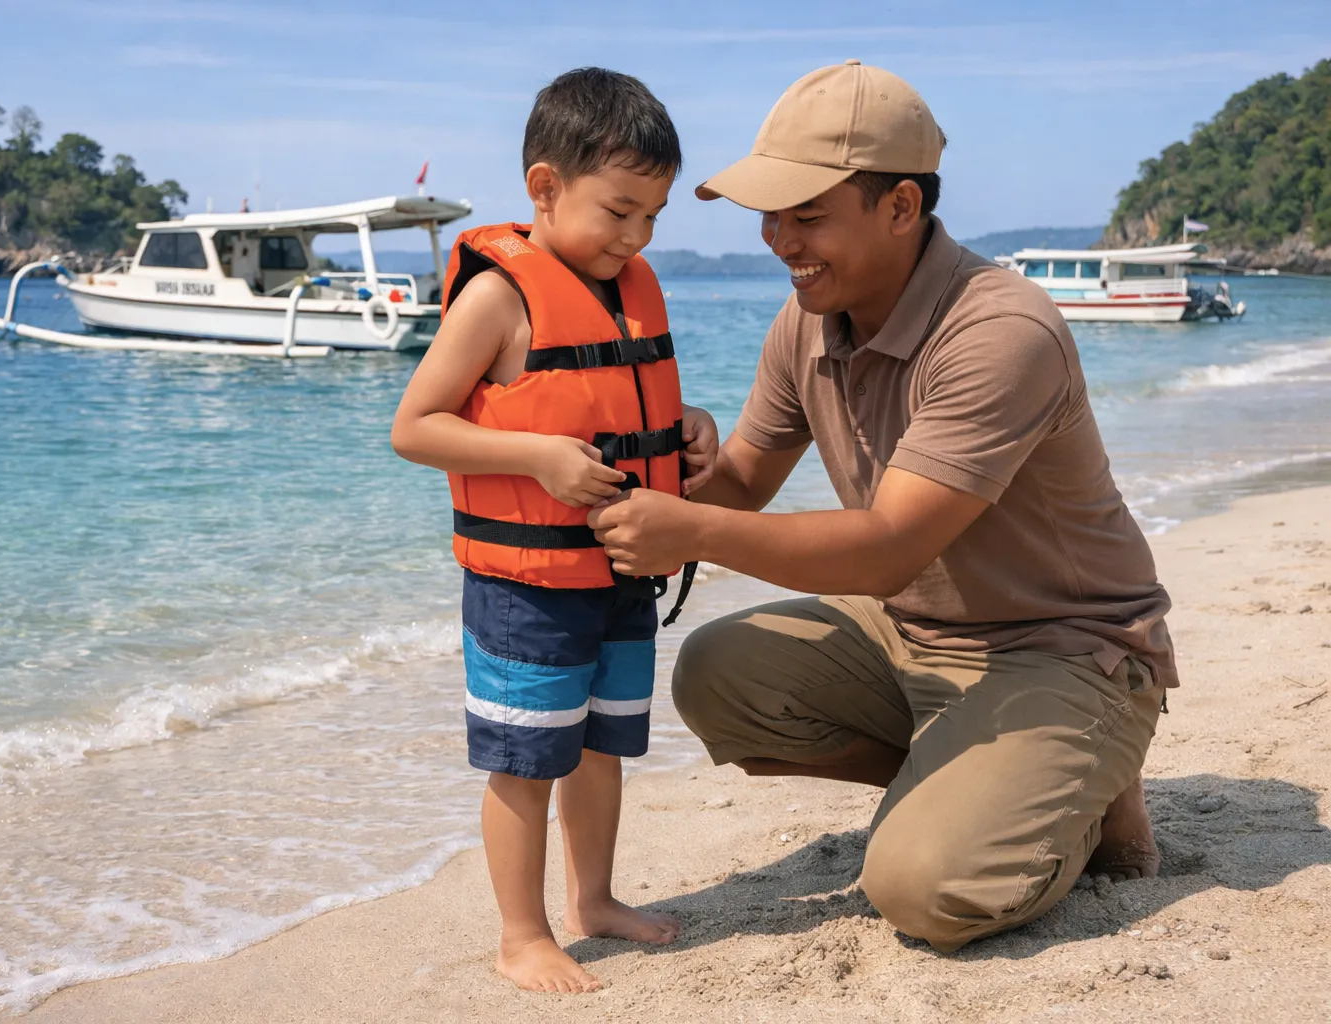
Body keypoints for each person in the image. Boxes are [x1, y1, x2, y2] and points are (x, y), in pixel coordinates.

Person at [587, 61, 1177, 953]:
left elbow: (888, 549)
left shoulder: (998, 331)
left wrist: (691, 529)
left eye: (807, 214)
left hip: (1065, 646)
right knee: (716, 675)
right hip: (914, 632)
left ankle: (1085, 797)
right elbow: (742, 483)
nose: (779, 239)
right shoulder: (808, 319)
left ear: (902, 207)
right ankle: (972, 783)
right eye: (769, 214)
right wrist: (661, 457)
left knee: (925, 891)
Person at [391, 68, 719, 993]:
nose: (637, 236)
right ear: (544, 187)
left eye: (652, 217)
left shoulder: (631, 286)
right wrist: (537, 457)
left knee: (604, 745)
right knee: (527, 758)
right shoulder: (499, 300)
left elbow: (626, 399)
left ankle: (597, 899)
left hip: (621, 573)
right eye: (620, 212)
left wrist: (691, 427)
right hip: (525, 591)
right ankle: (521, 934)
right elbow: (414, 426)